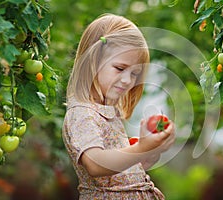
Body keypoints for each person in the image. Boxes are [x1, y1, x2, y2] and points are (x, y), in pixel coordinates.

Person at [62, 13, 176, 200]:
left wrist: (149, 151)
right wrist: (140, 149)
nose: (127, 80)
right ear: (93, 62)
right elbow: (95, 164)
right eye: (120, 68)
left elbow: (119, 174)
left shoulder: (107, 113)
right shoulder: (82, 113)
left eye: (134, 73)